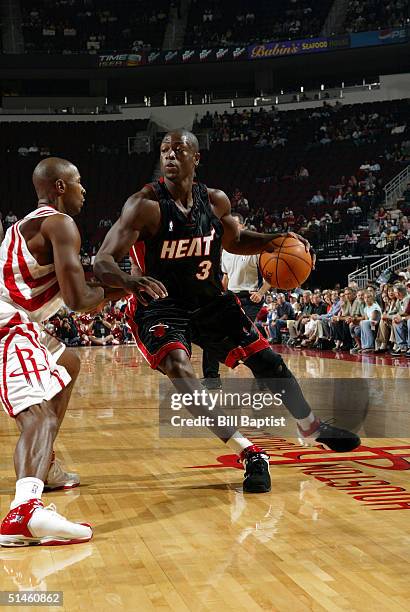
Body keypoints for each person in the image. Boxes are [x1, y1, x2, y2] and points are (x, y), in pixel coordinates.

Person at [94, 129, 360, 495]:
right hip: (162, 306)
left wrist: (279, 240)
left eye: (179, 150)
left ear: (196, 158)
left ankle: (311, 426)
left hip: (210, 301)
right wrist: (129, 281)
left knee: (269, 363)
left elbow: (236, 239)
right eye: (164, 151)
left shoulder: (215, 201)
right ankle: (249, 452)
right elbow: (102, 260)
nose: (170, 156)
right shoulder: (145, 205)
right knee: (179, 369)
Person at [0, 157, 122, 547]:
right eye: (78, 182)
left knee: (67, 361)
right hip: (6, 324)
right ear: (59, 188)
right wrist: (127, 287)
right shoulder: (59, 223)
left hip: (21, 321)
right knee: (39, 419)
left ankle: (45, 466)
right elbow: (78, 300)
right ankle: (25, 512)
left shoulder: (28, 226)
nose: (84, 190)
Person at [201, 211, 272, 388]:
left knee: (245, 339)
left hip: (251, 298)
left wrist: (262, 292)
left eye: (234, 224)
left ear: (243, 226)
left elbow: (271, 275)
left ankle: (264, 378)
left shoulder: (255, 249)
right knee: (211, 334)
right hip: (230, 297)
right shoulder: (225, 250)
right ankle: (211, 379)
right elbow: (226, 277)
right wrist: (219, 295)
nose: (229, 227)